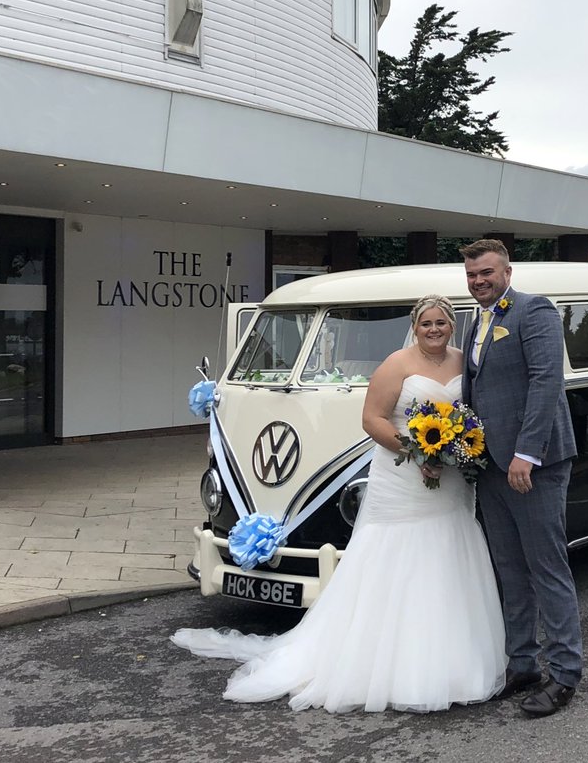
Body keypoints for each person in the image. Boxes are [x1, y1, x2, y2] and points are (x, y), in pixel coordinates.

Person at [171, 295, 505, 712]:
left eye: (441, 322)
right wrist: (418, 452)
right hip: (403, 474)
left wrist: (453, 450)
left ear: (452, 325)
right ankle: (379, 661)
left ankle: (453, 656)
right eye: (426, 323)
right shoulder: (396, 364)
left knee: (449, 548)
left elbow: (468, 412)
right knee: (393, 554)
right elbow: (372, 419)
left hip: (450, 481)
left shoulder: (462, 363)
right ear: (415, 326)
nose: (434, 329)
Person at [459, 239, 584, 717]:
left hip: (534, 466)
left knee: (546, 568)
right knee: (510, 570)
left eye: (487, 272)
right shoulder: (476, 320)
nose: (479, 281)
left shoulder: (535, 312)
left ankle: (566, 674)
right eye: (472, 275)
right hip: (489, 466)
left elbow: (546, 382)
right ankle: (523, 665)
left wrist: (526, 454)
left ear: (507, 271)